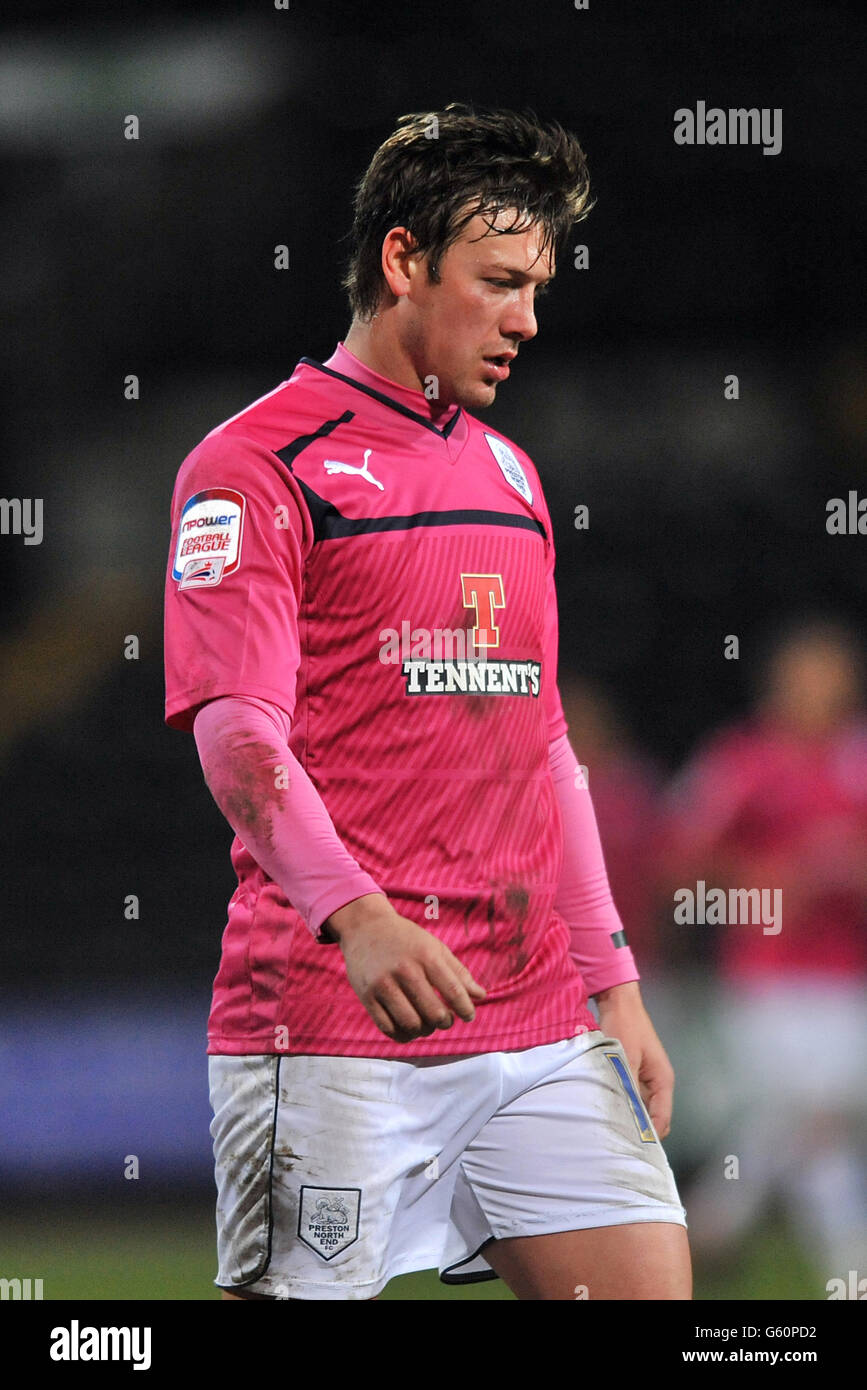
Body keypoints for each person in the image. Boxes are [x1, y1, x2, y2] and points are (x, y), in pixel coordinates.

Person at [163, 102, 690, 1301]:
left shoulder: (513, 475)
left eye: (540, 287)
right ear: (402, 260)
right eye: (501, 281)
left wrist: (612, 983)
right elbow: (235, 730)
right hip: (339, 1013)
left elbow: (543, 741)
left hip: (536, 1015)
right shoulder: (255, 466)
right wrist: (359, 918)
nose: (528, 320)